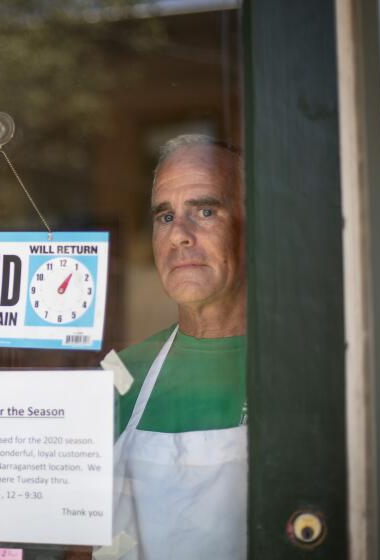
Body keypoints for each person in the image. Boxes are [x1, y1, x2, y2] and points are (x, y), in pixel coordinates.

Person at [113, 135, 247, 559]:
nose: (179, 237)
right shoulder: (119, 376)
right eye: (165, 216)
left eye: (205, 211)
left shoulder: (305, 367)